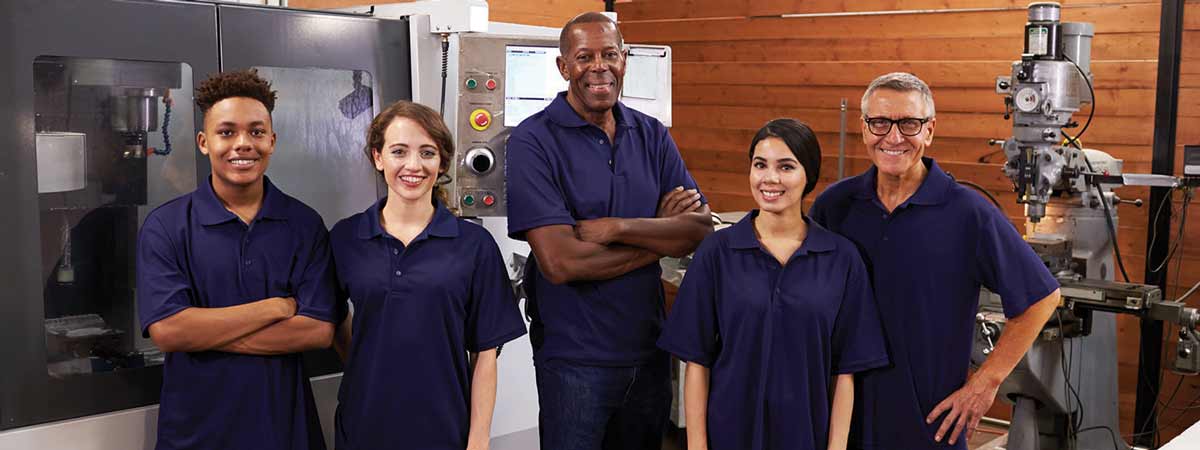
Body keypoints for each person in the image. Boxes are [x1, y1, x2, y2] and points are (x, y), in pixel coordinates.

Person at [809, 72, 1061, 449]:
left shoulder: (969, 213)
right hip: (840, 419)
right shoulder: (835, 205)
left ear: (929, 130)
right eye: (879, 122)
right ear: (863, 129)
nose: (893, 137)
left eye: (909, 123)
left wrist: (985, 382)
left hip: (928, 425)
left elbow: (1042, 298)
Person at [505, 11, 714, 450]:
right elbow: (561, 262)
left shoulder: (651, 134)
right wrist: (658, 235)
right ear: (564, 68)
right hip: (574, 362)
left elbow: (697, 227)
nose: (599, 66)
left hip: (649, 350)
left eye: (610, 54)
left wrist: (617, 227)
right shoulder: (532, 141)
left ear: (625, 60)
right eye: (584, 57)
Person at [657, 119, 889, 450]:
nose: (770, 178)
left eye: (786, 166)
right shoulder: (717, 253)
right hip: (729, 435)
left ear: (808, 175)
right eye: (760, 165)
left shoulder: (842, 258)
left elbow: (845, 372)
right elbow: (697, 362)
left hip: (806, 437)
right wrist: (697, 446)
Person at [137, 69, 336, 450]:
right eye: (226, 132)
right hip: (195, 436)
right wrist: (275, 307)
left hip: (285, 433)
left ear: (272, 141)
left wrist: (203, 334)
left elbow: (317, 331)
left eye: (256, 132)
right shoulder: (166, 227)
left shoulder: (304, 225)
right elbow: (169, 332)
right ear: (203, 142)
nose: (243, 144)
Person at [328, 101, 527, 450]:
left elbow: (485, 355)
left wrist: (478, 440)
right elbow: (332, 318)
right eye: (399, 151)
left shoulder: (474, 246)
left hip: (444, 429)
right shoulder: (346, 238)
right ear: (378, 157)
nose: (413, 165)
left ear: (443, 163)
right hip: (363, 427)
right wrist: (365, 366)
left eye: (427, 153)